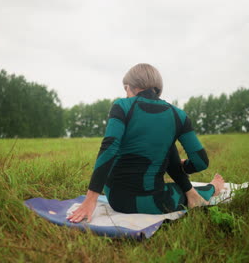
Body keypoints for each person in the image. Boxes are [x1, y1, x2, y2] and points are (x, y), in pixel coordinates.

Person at [67, 63, 225, 223]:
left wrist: (90, 199)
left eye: (125, 89)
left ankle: (198, 190)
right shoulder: (178, 115)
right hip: (151, 202)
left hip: (116, 198)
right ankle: (213, 188)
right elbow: (201, 162)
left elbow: (109, 148)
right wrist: (185, 166)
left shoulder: (121, 105)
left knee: (165, 142)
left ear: (129, 87)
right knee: (181, 188)